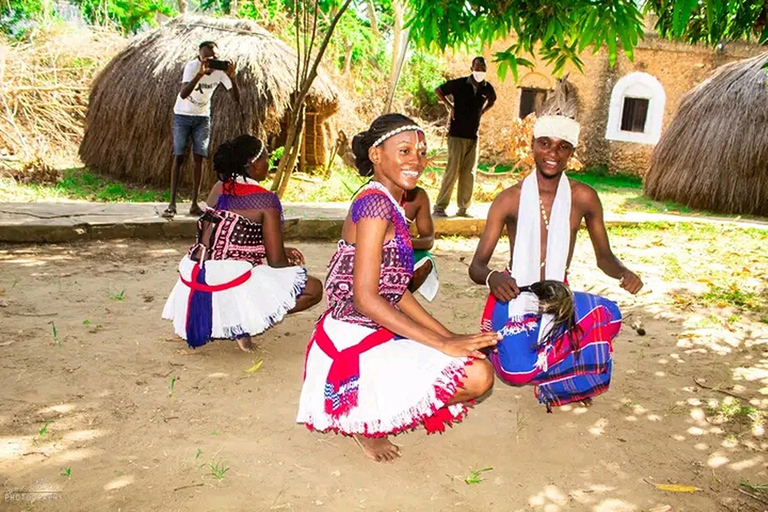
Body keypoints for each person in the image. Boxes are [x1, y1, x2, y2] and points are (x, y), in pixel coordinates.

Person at [297, 114, 499, 462]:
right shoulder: (375, 205)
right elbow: (365, 298)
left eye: (421, 152)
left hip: (376, 329)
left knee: (471, 363)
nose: (416, 160)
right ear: (376, 155)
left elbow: (396, 291)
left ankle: (375, 407)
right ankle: (365, 419)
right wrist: (441, 343)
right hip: (353, 339)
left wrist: (449, 335)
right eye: (404, 150)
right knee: (478, 376)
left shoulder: (391, 202)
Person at [468, 112, 643, 411]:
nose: (553, 153)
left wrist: (623, 273)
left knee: (610, 316)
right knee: (516, 373)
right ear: (532, 146)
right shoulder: (510, 199)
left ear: (571, 154)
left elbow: (604, 258)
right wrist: (493, 278)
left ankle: (556, 376)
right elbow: (477, 266)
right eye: (545, 144)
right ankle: (511, 348)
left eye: (563, 147)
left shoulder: (584, 197)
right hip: (515, 293)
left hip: (557, 297)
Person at [162, 135, 322, 351]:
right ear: (255, 164)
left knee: (252, 273)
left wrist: (279, 248)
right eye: (266, 158)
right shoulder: (265, 199)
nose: (269, 163)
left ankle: (235, 318)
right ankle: (244, 322)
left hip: (196, 277)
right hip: (228, 281)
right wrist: (292, 271)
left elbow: (218, 239)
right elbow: (277, 263)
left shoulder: (219, 187)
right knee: (313, 289)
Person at [163, 41, 240, 218]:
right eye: (207, 58)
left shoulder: (221, 73)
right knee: (179, 156)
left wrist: (232, 77)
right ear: (200, 57)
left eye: (214, 58)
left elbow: (235, 98)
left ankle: (194, 204)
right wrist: (200, 75)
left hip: (202, 117)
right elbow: (183, 94)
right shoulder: (192, 67)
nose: (211, 61)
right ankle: (172, 204)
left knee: (199, 158)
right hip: (182, 115)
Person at [433, 56, 496, 218]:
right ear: (471, 69)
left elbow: (492, 100)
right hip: (456, 135)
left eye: (483, 68)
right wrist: (450, 106)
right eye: (477, 68)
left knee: (469, 173)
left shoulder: (486, 88)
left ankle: (463, 208)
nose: (480, 71)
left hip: (473, 136)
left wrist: (482, 111)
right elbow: (438, 90)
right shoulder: (460, 84)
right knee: (452, 171)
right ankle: (440, 207)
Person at [403, 186, 439, 301]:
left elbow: (428, 240)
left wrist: (403, 242)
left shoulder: (418, 195)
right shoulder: (373, 193)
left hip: (400, 249)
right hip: (371, 251)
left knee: (425, 261)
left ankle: (398, 302)